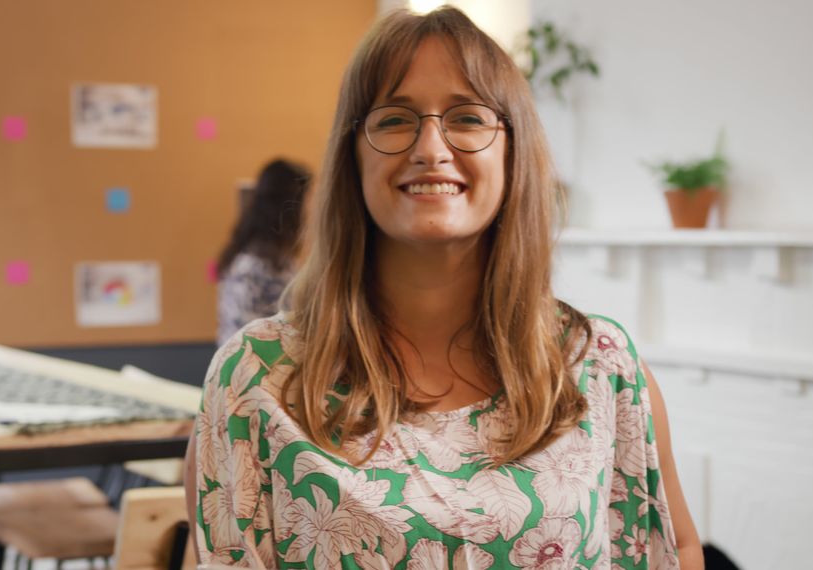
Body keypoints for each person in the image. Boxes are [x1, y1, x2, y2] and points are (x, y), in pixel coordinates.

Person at [186, 7, 702, 569]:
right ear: (351, 157)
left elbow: (669, 548)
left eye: (468, 117)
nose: (430, 148)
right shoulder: (258, 378)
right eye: (394, 119)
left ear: (513, 149)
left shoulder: (600, 366)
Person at [215, 158, 310, 346]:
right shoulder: (254, 268)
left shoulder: (275, 260)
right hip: (254, 371)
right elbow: (246, 344)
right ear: (290, 206)